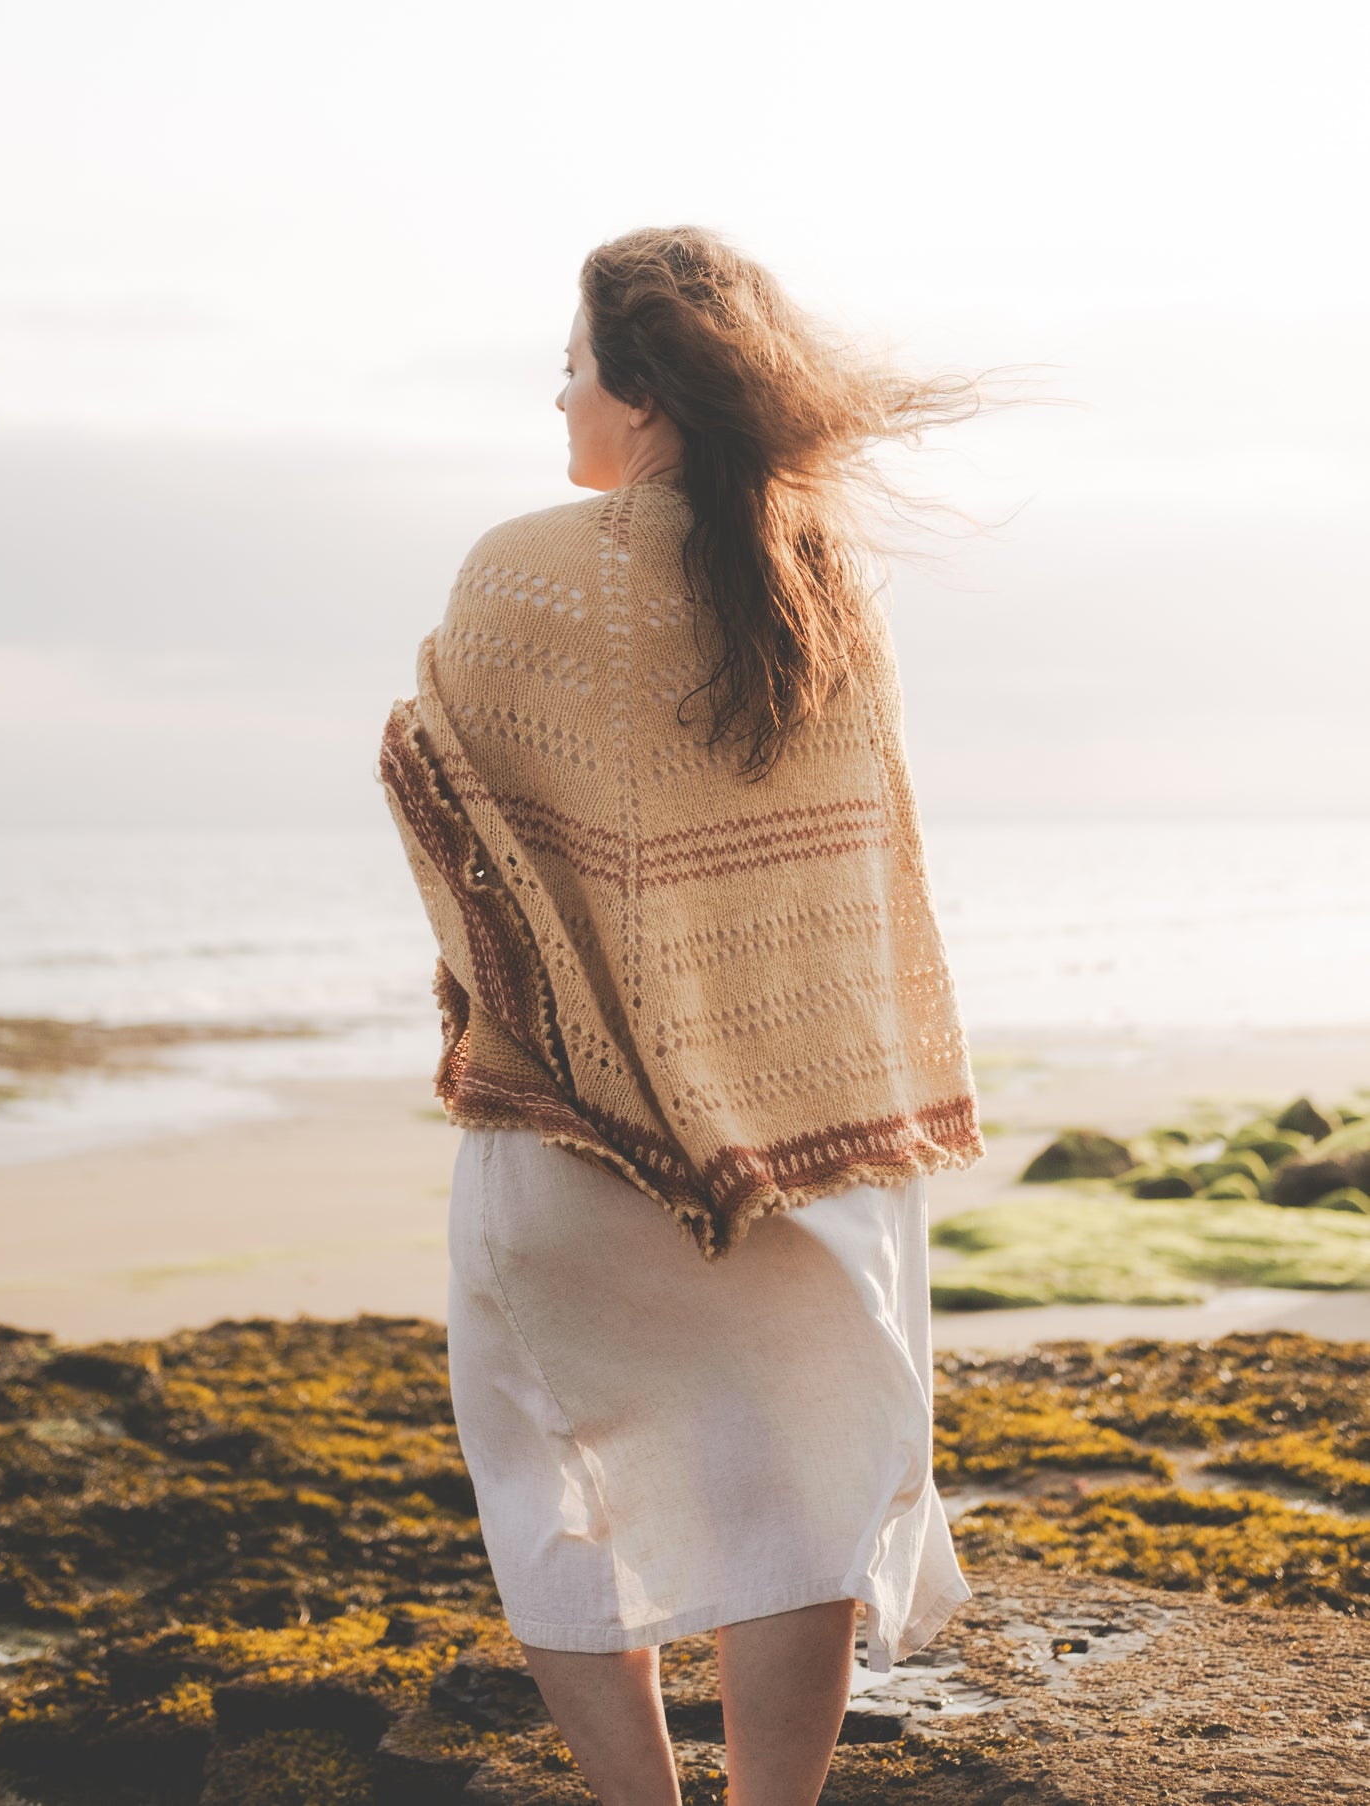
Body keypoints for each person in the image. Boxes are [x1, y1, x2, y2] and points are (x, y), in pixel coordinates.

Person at [379, 226, 995, 1806]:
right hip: (811, 1146)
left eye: (573, 365)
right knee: (797, 1495)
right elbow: (859, 883)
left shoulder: (521, 567)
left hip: (577, 1140)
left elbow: (462, 838)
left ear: (640, 389)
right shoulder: (818, 584)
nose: (558, 394)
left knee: (551, 1474)